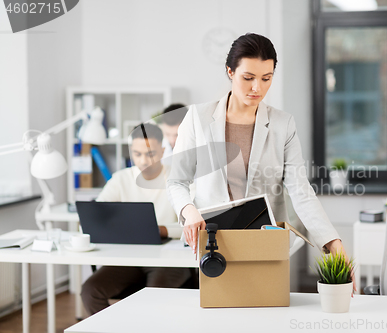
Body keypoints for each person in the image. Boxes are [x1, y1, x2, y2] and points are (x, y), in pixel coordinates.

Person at [166, 33, 355, 292]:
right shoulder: (198, 118)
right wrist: (189, 212)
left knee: (269, 316)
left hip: (266, 242)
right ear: (230, 72)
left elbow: (300, 190)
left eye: (266, 78)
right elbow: (177, 180)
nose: (258, 88)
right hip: (214, 241)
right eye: (248, 78)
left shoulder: (283, 124)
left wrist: (332, 242)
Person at [81, 123, 191, 315]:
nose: (143, 161)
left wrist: (161, 230)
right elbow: (98, 214)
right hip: (128, 259)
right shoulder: (120, 179)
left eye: (150, 154)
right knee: (90, 291)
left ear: (163, 151)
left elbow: (192, 225)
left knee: (153, 299)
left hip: (168, 260)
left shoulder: (177, 179)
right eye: (137, 154)